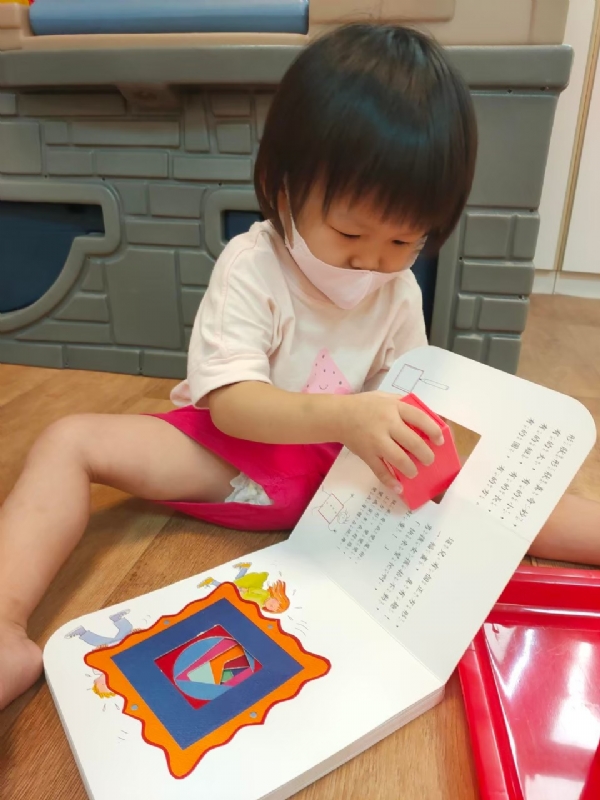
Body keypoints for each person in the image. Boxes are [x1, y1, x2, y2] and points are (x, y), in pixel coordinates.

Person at [0, 23, 597, 712]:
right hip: (230, 455)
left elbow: (407, 391)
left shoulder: (399, 288)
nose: (371, 259)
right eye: (349, 232)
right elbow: (230, 404)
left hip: (342, 473)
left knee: (499, 493)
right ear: (281, 188)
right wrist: (349, 418)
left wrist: (414, 442)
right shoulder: (252, 266)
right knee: (70, 439)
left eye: (405, 240)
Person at [198, 562, 291, 614]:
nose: (271, 605)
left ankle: (244, 568)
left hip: (240, 595)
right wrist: (246, 590)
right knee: (227, 588)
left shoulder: (260, 606)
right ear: (275, 597)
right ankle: (211, 581)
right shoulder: (266, 594)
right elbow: (256, 590)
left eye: (272, 608)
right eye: (273, 603)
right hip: (243, 590)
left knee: (232, 584)